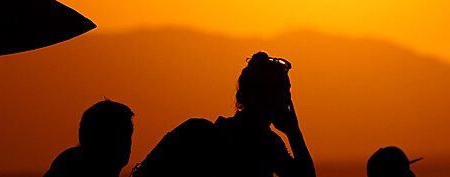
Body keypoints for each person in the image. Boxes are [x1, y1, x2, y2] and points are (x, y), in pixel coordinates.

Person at [131, 51, 316, 177]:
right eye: (283, 90)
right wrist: (294, 131)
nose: (288, 98)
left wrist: (293, 131)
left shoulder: (193, 130)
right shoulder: (267, 146)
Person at [43, 99, 135, 177]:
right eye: (116, 136)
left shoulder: (66, 161)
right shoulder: (67, 166)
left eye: (127, 134)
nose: (126, 144)